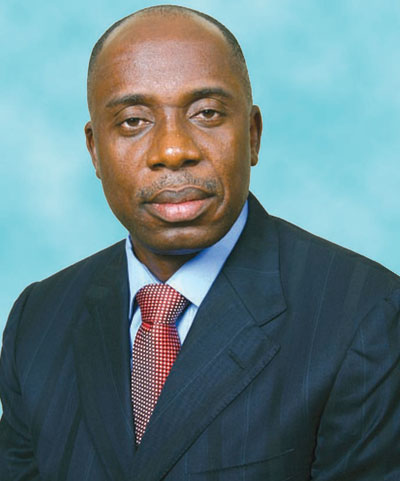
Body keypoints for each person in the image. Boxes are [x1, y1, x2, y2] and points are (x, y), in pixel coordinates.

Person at [0, 5, 399, 480]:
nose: (173, 151)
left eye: (206, 113)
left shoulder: (365, 315)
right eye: (133, 121)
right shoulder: (38, 319)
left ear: (252, 135)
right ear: (94, 151)